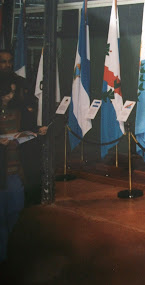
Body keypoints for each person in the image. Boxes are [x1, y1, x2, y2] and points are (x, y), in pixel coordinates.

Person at [0, 49, 47, 264]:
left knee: (16, 212)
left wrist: (37, 130)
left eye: (12, 92)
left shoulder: (18, 111)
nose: (11, 96)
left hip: (14, 171)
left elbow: (27, 126)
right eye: (7, 93)